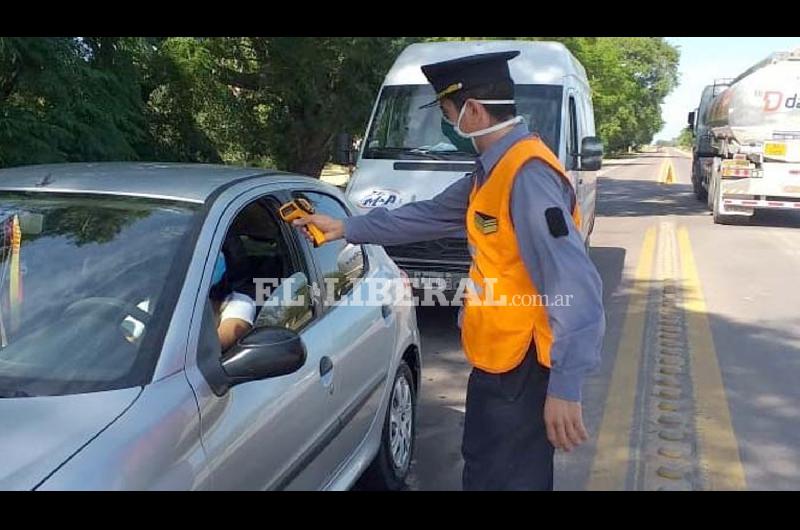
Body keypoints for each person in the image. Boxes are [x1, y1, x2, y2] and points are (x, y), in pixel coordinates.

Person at [293, 51, 605, 490]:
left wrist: (565, 387)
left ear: (473, 111)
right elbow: (424, 216)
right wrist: (345, 226)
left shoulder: (526, 176)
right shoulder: (489, 171)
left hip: (524, 368)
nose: (446, 124)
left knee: (507, 479)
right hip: (498, 360)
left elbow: (576, 285)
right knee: (486, 468)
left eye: (446, 113)